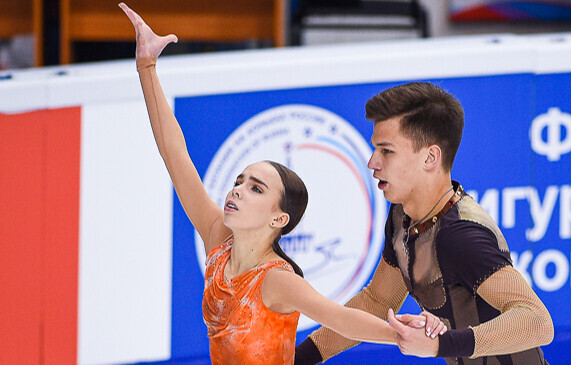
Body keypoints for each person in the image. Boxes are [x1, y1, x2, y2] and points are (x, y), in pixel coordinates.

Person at [118, 3, 447, 364]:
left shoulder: (277, 281)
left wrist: (402, 334)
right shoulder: (218, 242)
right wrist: (146, 66)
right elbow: (174, 154)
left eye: (256, 188)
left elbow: (340, 319)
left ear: (279, 219)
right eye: (240, 181)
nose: (239, 190)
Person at [295, 82, 555, 364]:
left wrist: (441, 345)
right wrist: (298, 358)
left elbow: (537, 321)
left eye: (387, 151)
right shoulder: (403, 217)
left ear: (430, 157)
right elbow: (378, 302)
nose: (372, 162)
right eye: (375, 149)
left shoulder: (462, 236)